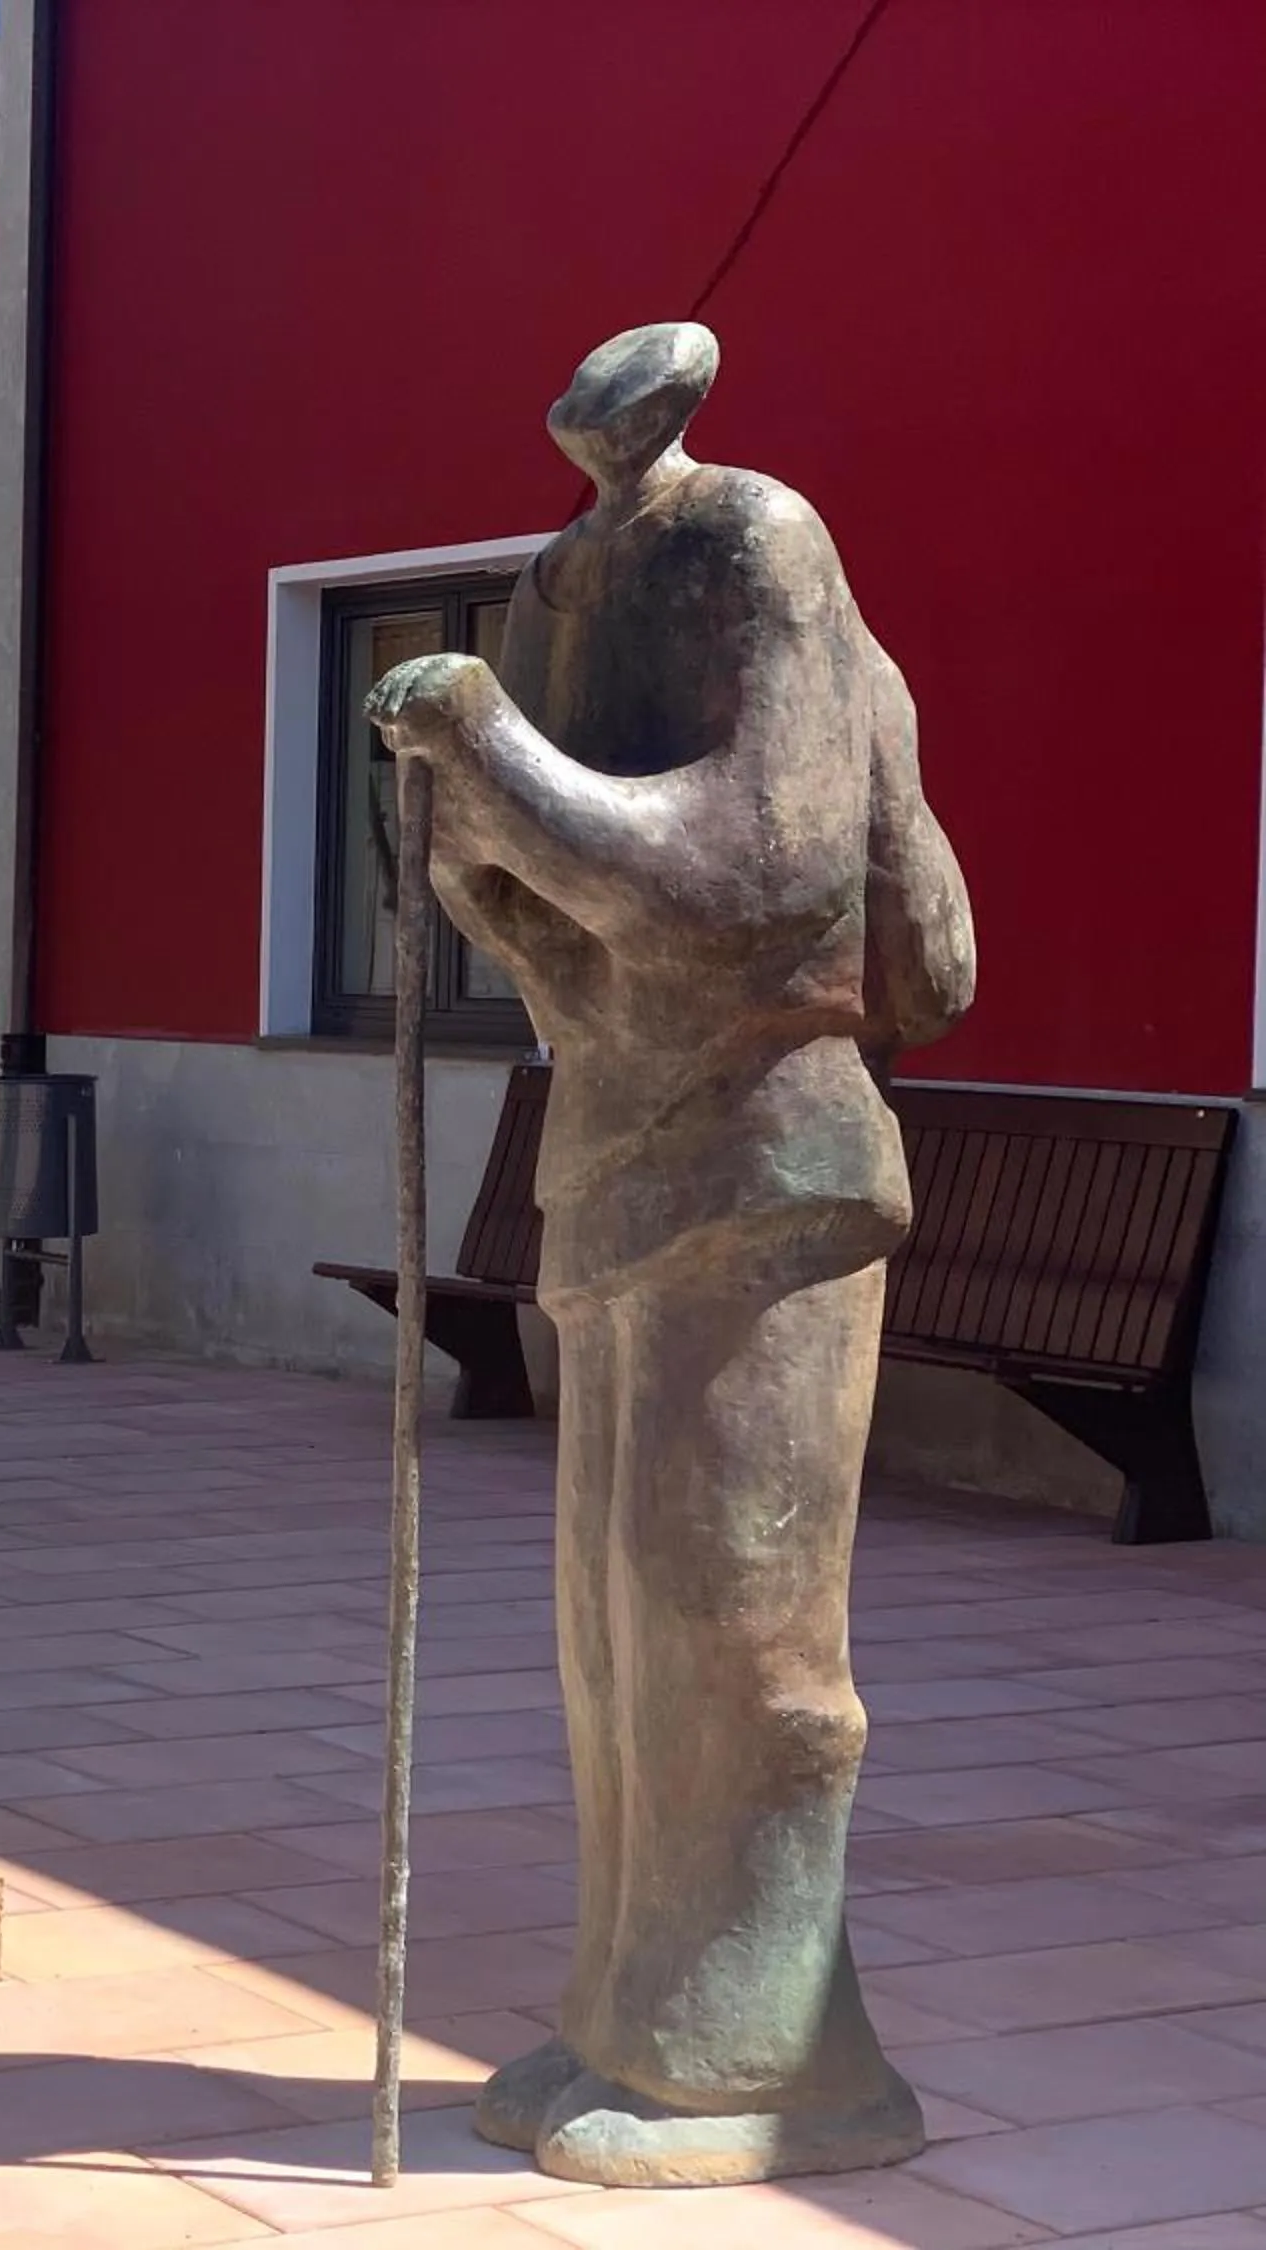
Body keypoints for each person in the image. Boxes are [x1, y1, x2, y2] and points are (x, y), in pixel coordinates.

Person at [366, 320, 974, 2188]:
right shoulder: (564, 585)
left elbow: (758, 877)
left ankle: (778, 2062)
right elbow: (562, 916)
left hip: (771, 1160)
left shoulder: (755, 542)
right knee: (618, 1630)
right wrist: (464, 822)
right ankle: (644, 2019)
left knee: (739, 1625)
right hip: (621, 1155)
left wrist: (487, 749)